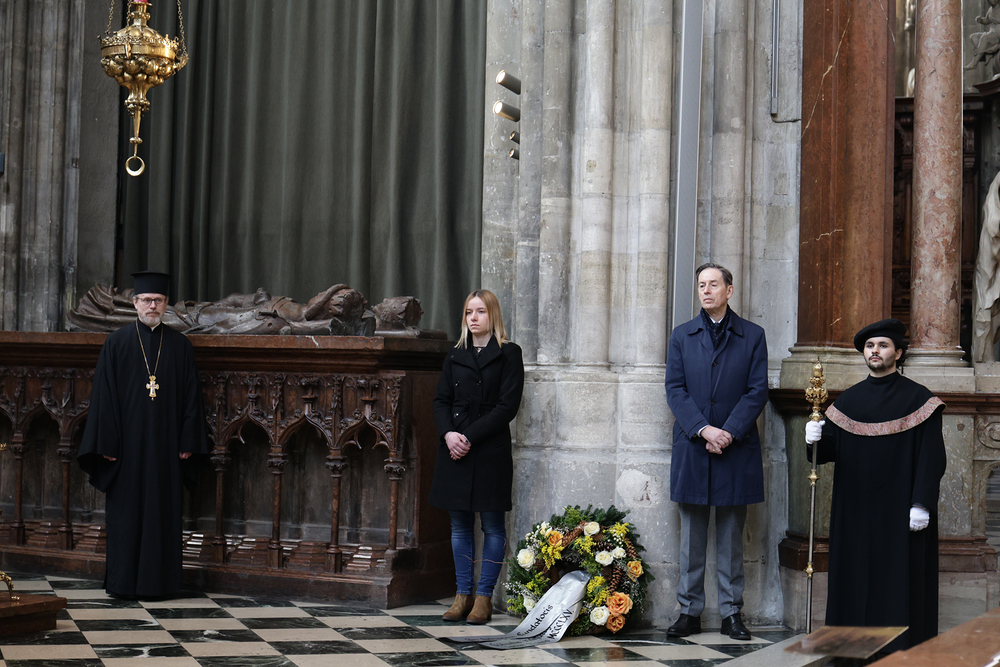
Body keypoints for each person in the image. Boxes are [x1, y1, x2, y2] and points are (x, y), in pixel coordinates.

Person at [805, 318, 946, 653]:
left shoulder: (920, 399)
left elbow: (932, 457)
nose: (875, 351)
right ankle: (850, 651)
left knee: (900, 582)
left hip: (902, 512)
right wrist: (813, 438)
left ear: (897, 353)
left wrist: (922, 503)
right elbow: (825, 454)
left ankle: (902, 652)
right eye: (870, 346)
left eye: (883, 345)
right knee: (854, 581)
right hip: (855, 513)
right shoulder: (847, 402)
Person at [78, 271, 208, 599]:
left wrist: (188, 441)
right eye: (147, 300)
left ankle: (160, 584)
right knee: (126, 516)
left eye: (158, 301)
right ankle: (122, 582)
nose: (152, 306)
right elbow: (104, 398)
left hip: (166, 448)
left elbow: (191, 399)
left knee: (162, 515)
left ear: (166, 304)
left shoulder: (180, 346)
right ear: (135, 303)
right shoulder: (116, 343)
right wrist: (106, 443)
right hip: (125, 449)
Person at [664, 263, 768, 640]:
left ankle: (731, 614)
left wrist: (728, 432)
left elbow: (757, 390)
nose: (706, 291)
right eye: (701, 285)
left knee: (730, 537)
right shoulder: (682, 335)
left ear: (729, 290)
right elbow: (675, 389)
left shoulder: (752, 335)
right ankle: (689, 612)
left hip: (735, 448)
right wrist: (704, 429)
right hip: (694, 446)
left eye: (713, 285)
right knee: (691, 537)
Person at [429, 289, 524, 624]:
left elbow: (507, 406)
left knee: (493, 525)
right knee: (459, 525)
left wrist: (469, 436)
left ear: (492, 315)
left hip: (488, 448)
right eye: (469, 312)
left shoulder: (509, 353)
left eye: (480, 311)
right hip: (455, 448)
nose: (473, 318)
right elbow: (440, 401)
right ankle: (462, 595)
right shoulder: (456, 353)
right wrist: (449, 434)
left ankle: (484, 598)